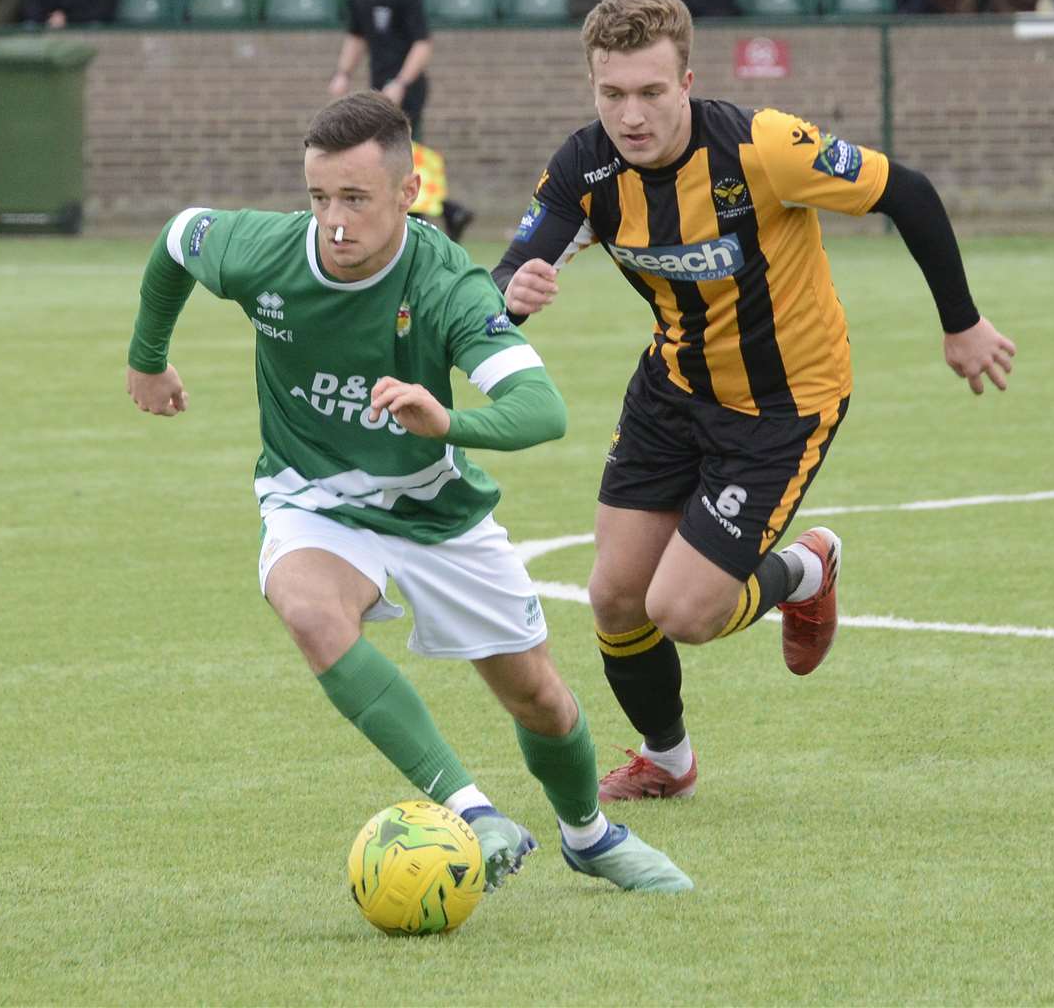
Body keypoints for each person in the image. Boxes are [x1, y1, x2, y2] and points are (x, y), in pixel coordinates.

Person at [124, 91, 692, 893]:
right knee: (312, 612)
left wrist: (444, 421)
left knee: (541, 700)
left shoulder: (444, 283)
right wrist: (149, 357)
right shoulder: (268, 251)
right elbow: (180, 238)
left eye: (355, 199)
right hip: (311, 499)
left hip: (436, 512)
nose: (334, 222)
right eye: (319, 198)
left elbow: (542, 410)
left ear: (407, 192)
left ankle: (588, 836)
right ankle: (473, 810)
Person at [492, 0, 1015, 801]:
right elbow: (514, 269)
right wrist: (513, 290)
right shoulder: (583, 169)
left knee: (685, 613)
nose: (631, 116)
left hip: (784, 404)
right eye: (612, 94)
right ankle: (666, 762)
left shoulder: (765, 148)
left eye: (651, 93)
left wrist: (963, 323)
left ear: (688, 81)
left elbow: (906, 191)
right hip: (671, 390)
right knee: (615, 595)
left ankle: (805, 570)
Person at [327, 0, 473, 244]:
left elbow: (422, 43)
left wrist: (402, 82)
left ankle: (420, 224)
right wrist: (342, 73)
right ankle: (450, 211)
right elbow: (356, 35)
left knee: (405, 155)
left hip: (408, 88)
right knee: (393, 155)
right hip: (379, 87)